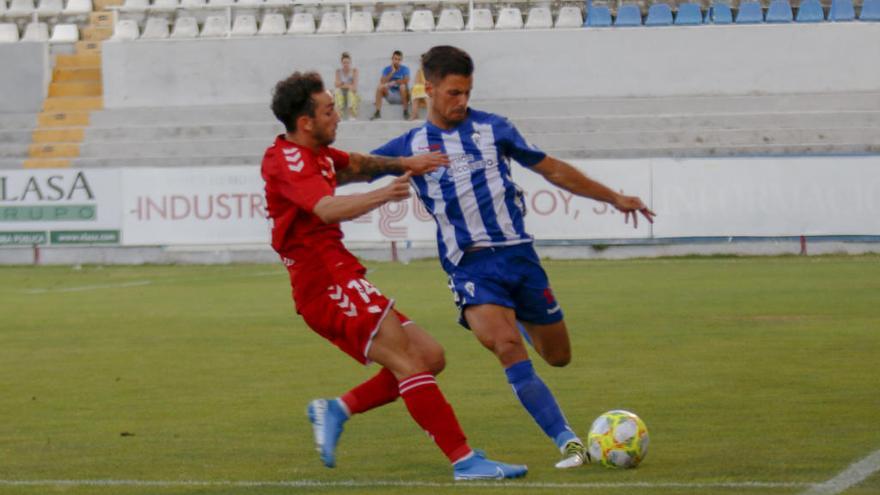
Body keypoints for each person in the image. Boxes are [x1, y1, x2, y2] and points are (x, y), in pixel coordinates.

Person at [371, 46, 656, 469]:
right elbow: (353, 168)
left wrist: (613, 197)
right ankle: (568, 441)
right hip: (469, 264)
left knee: (558, 356)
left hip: (519, 257)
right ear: (427, 90)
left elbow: (552, 169)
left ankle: (512, 315)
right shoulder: (408, 146)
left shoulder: (494, 129)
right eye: (452, 93)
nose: (461, 101)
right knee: (505, 344)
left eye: (466, 92)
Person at [262, 71, 528, 481]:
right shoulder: (287, 160)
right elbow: (326, 208)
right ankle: (464, 460)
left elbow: (361, 164)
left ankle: (337, 408)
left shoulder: (318, 154)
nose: (338, 117)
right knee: (408, 361)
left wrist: (407, 163)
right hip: (324, 284)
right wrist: (383, 195)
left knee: (429, 356)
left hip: (341, 274)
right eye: (330, 111)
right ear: (305, 122)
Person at [371, 50, 410, 121]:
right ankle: (377, 112)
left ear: (401, 60)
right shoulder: (387, 69)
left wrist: (395, 82)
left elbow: (406, 80)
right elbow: (382, 81)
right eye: (395, 59)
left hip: (401, 96)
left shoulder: (405, 69)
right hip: (390, 95)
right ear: (392, 59)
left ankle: (405, 111)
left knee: (402, 86)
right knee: (380, 87)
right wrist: (392, 72)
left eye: (399, 59)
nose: (397, 61)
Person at [334, 52, 359, 120]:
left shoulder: (354, 71)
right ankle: (339, 115)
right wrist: (348, 85)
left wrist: (342, 83)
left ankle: (352, 115)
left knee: (351, 92)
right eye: (344, 62)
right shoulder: (338, 71)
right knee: (337, 91)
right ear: (342, 63)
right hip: (341, 92)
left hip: (351, 92)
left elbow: (354, 87)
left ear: (350, 62)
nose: (346, 64)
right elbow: (336, 85)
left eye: (347, 62)